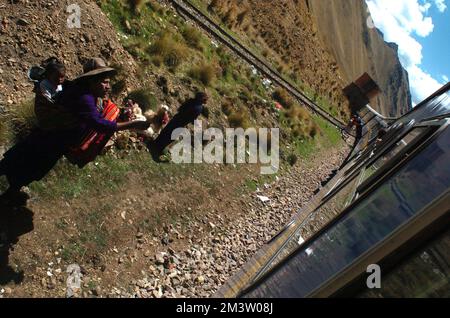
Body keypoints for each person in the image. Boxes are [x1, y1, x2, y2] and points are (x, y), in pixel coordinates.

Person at [0, 58, 149, 205]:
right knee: (26, 164)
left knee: (21, 162)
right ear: (92, 81)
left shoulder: (84, 92)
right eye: (104, 82)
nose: (108, 87)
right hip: (50, 142)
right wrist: (132, 124)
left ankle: (11, 192)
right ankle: (9, 195)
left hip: (51, 140)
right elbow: (98, 123)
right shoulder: (84, 98)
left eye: (109, 82)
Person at [147, 92, 209, 162]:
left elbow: (181, 108)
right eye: (206, 99)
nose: (206, 101)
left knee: (167, 130)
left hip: (177, 118)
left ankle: (155, 143)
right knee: (171, 136)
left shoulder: (191, 100)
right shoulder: (199, 108)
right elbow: (192, 119)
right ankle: (159, 147)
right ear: (202, 99)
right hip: (181, 123)